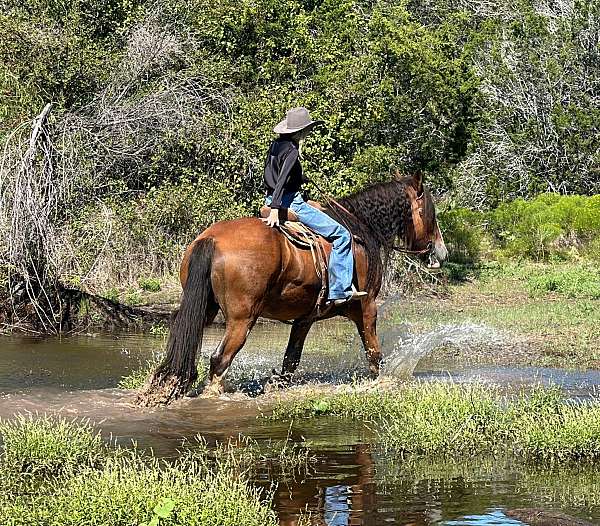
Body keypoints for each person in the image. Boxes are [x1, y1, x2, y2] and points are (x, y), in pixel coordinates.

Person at [262, 107, 367, 306]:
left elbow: (272, 173)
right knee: (342, 235)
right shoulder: (292, 151)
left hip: (269, 198)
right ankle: (339, 291)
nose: (308, 132)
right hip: (291, 202)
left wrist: (299, 178)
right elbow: (283, 178)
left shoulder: (276, 145)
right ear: (301, 131)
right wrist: (276, 207)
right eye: (307, 129)